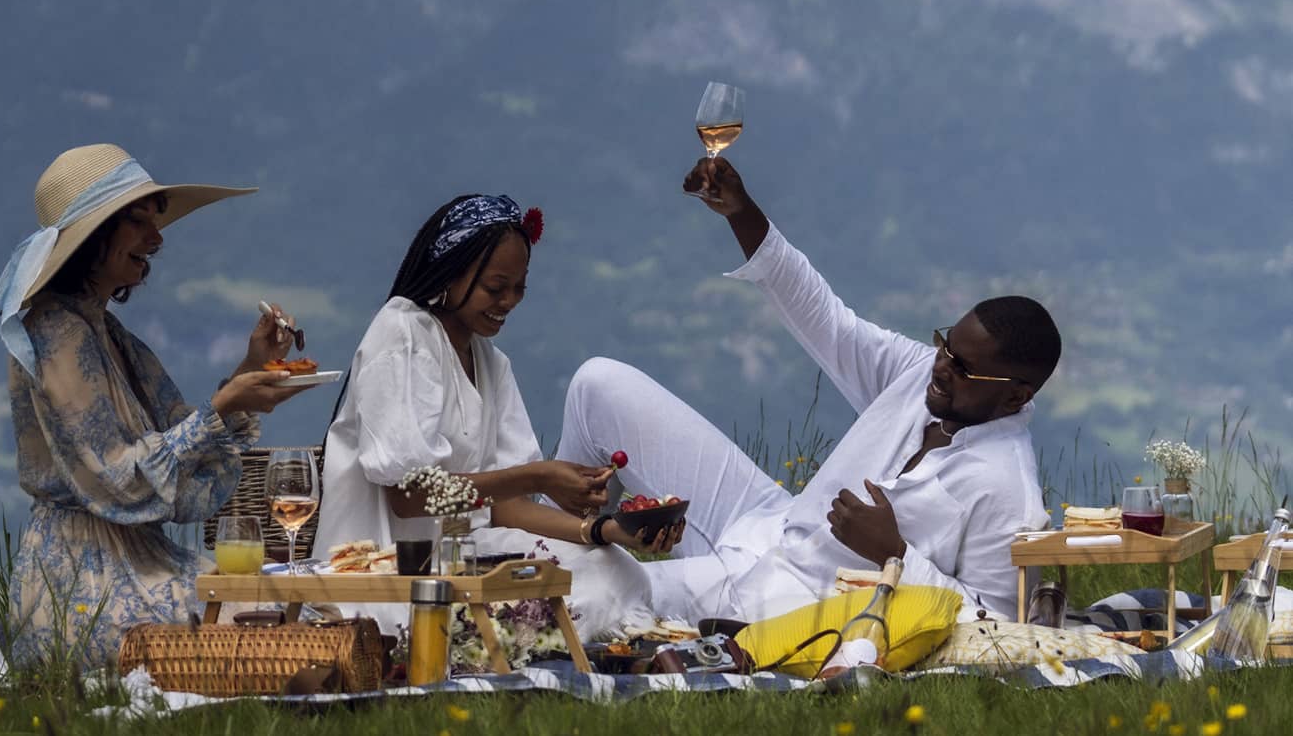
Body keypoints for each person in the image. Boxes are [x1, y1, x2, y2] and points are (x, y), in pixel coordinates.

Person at [555, 156, 1061, 625]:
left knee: (580, 597)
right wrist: (742, 213)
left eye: (963, 367)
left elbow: (995, 626)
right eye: (945, 346)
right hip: (765, 522)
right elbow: (828, 324)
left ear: (1015, 397)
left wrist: (895, 555)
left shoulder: (1007, 491)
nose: (942, 368)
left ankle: (540, 585)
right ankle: (545, 546)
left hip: (780, 603)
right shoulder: (919, 372)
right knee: (598, 384)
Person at [0, 143, 310, 668]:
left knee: (293, 608)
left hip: (136, 557)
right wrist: (223, 407)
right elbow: (120, 481)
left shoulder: (105, 332)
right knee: (269, 621)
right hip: (80, 581)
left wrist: (252, 368)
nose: (157, 239)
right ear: (93, 235)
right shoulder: (56, 332)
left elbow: (179, 442)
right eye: (138, 222)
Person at [313, 193, 670, 638]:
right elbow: (410, 497)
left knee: (618, 571)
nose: (509, 301)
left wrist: (603, 530)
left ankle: (512, 639)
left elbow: (506, 508)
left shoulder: (491, 361)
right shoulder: (401, 333)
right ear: (450, 273)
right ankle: (493, 641)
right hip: (392, 567)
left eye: (519, 288)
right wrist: (538, 476)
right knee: (571, 596)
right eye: (495, 287)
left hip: (464, 556)